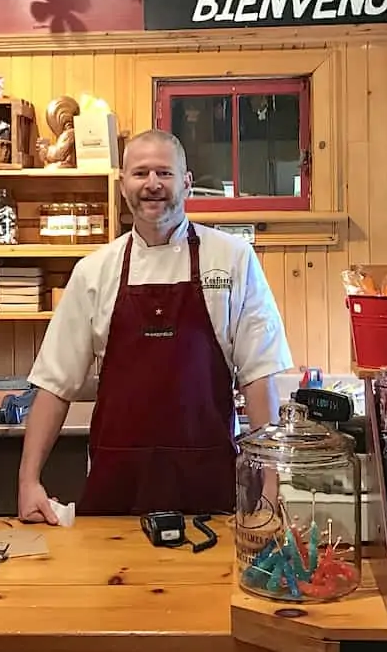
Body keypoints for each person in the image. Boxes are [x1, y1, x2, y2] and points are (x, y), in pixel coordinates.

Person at [18, 129, 294, 521]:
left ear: (186, 182)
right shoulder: (94, 272)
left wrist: (270, 489)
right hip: (117, 490)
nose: (152, 185)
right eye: (140, 173)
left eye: (164, 173)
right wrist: (28, 480)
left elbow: (258, 378)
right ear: (122, 184)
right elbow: (53, 384)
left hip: (209, 490)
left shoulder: (234, 259)